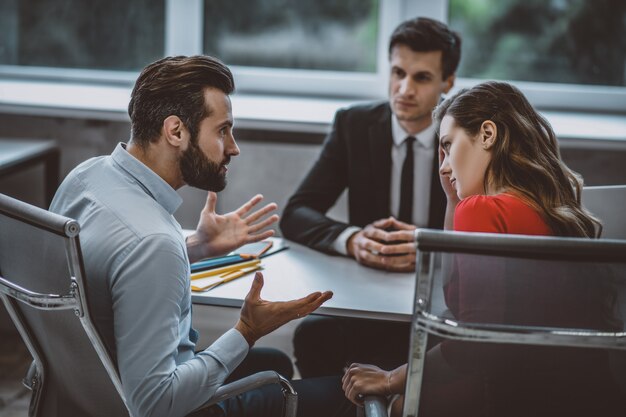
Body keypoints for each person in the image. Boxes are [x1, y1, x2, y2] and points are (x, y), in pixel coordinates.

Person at [50, 55, 334, 417]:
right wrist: (246, 331)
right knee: (339, 393)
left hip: (84, 389)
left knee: (273, 360)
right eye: (222, 130)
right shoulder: (154, 243)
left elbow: (115, 272)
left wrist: (197, 247)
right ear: (176, 131)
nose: (233, 147)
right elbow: (155, 405)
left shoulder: (86, 177)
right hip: (166, 406)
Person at [340, 81, 621, 417]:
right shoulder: (545, 208)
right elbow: (457, 301)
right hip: (577, 397)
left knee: (389, 404)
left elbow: (469, 340)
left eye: (448, 145)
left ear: (487, 135)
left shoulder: (483, 209)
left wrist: (390, 380)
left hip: (509, 395)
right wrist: (451, 201)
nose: (443, 166)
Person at [282, 17, 462, 379]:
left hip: (440, 298)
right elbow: (296, 213)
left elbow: (493, 232)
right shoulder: (354, 125)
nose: (404, 89)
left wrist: (431, 248)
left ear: (448, 82)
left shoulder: (467, 136)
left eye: (422, 78)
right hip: (367, 295)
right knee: (312, 336)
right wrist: (353, 240)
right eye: (398, 72)